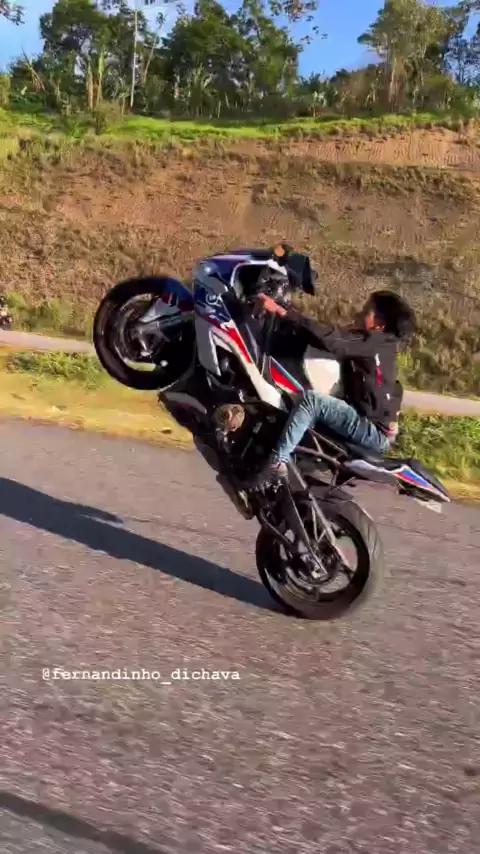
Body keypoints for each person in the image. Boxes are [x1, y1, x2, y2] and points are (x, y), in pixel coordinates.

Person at [256, 289, 416, 480]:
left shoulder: (373, 343)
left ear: (379, 325)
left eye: (366, 311)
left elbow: (334, 340)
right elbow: (395, 387)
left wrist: (282, 312)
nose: (359, 313)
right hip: (376, 430)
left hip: (371, 431)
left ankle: (277, 463)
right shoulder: (385, 347)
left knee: (312, 401)